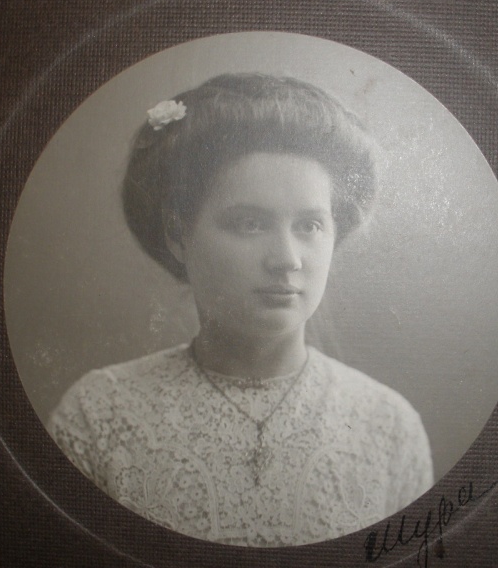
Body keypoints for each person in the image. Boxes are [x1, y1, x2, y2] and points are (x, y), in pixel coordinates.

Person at [47, 73, 433, 547]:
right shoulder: (97, 415)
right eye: (250, 223)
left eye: (310, 225)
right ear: (178, 234)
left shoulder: (389, 426)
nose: (287, 259)